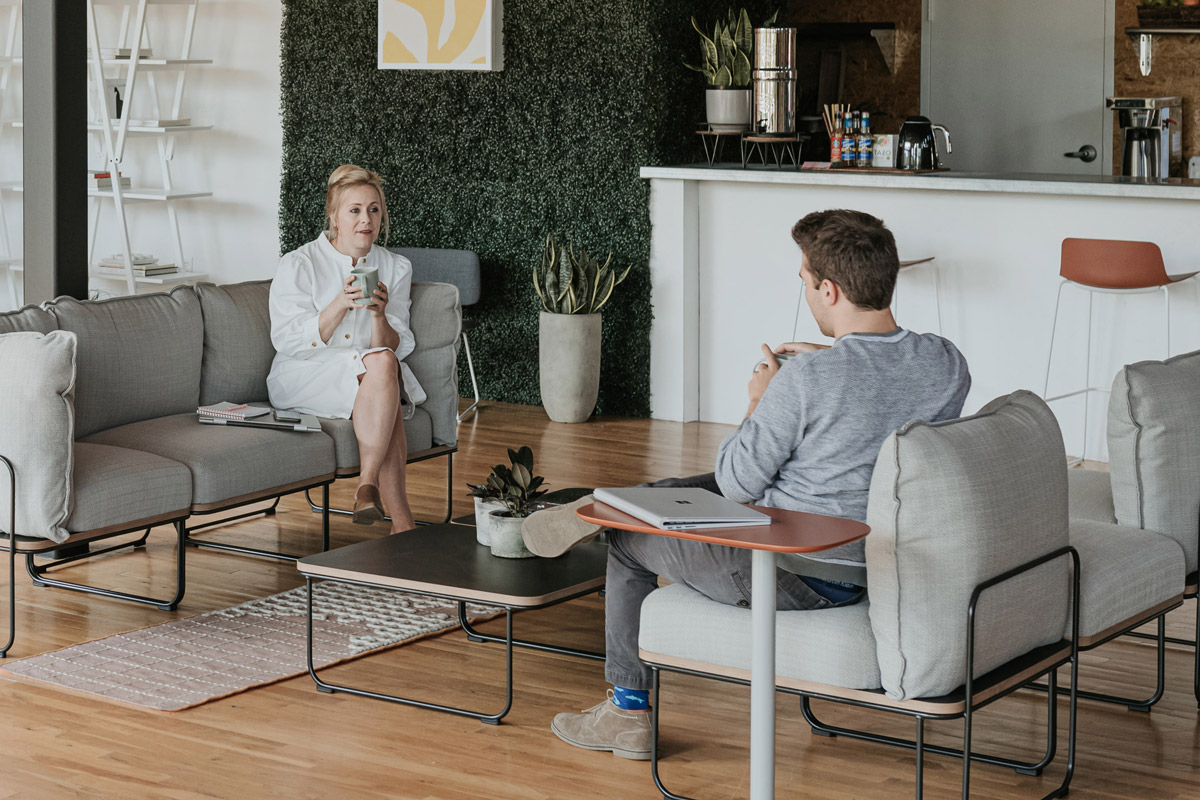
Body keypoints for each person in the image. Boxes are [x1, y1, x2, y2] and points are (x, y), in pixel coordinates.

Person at [532, 209, 972, 761]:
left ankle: (626, 712)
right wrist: (833, 363)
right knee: (682, 488)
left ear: (829, 290)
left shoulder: (807, 383)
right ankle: (604, 503)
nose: (806, 291)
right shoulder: (946, 362)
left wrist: (762, 401)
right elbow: (874, 389)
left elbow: (739, 484)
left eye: (806, 281)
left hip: (793, 568)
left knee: (626, 541)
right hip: (875, 558)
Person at [267, 164, 426, 533]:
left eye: (373, 209)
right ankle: (399, 519)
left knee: (384, 362)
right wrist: (339, 304)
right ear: (335, 217)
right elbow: (287, 340)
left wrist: (378, 316)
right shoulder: (299, 263)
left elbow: (396, 345)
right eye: (354, 210)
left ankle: (368, 488)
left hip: (372, 373)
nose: (365, 220)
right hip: (305, 373)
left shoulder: (395, 266)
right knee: (382, 373)